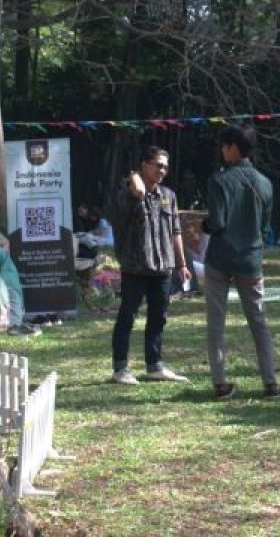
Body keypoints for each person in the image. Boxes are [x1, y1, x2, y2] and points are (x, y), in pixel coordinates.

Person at [202, 123, 279, 401]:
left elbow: (217, 222)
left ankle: (221, 383)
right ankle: (270, 381)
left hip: (220, 259)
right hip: (251, 259)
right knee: (258, 320)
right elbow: (265, 226)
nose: (223, 151)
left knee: (216, 321)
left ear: (233, 147)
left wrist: (203, 226)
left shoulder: (219, 180)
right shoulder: (265, 182)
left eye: (224, 146)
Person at [108, 145, 191, 385]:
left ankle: (154, 365)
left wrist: (181, 264)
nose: (162, 170)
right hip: (135, 266)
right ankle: (120, 368)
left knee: (158, 317)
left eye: (165, 166)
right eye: (158, 164)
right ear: (144, 165)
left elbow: (176, 232)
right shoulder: (127, 191)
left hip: (163, 266)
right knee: (127, 317)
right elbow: (121, 214)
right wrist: (136, 187)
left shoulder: (169, 196)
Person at [0, 230, 39, 336]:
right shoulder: (2, 253)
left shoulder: (3, 257)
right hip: (9, 289)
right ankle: (11, 325)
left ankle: (10, 324)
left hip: (10, 290)